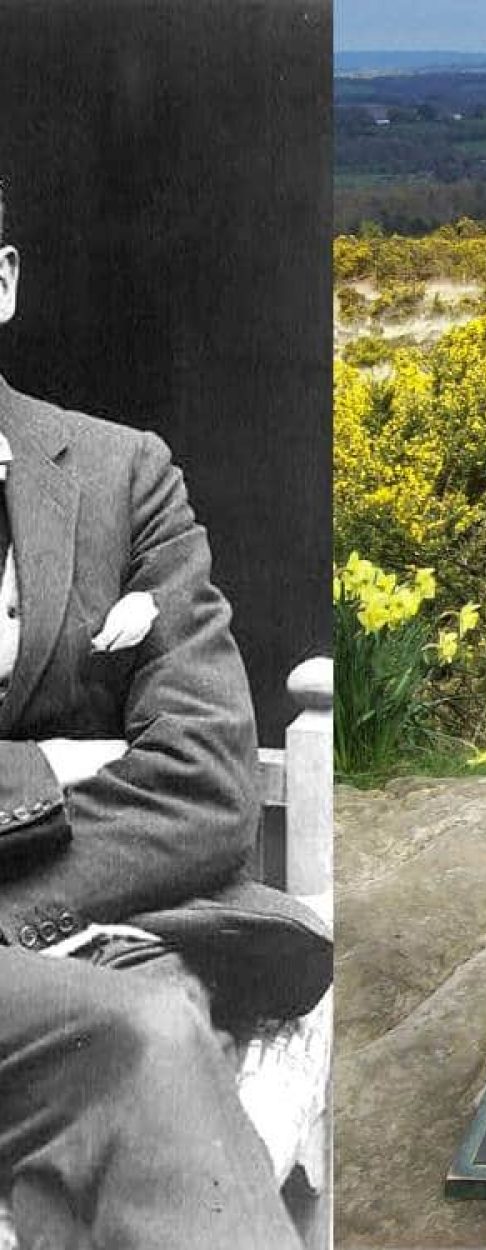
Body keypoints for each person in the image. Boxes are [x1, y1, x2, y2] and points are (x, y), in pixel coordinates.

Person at [0, 189, 324, 1248]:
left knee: (164, 1021)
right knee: (143, 1032)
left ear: (2, 283)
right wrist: (46, 769)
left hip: (90, 937)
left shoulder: (120, 477)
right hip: (96, 994)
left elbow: (208, 783)